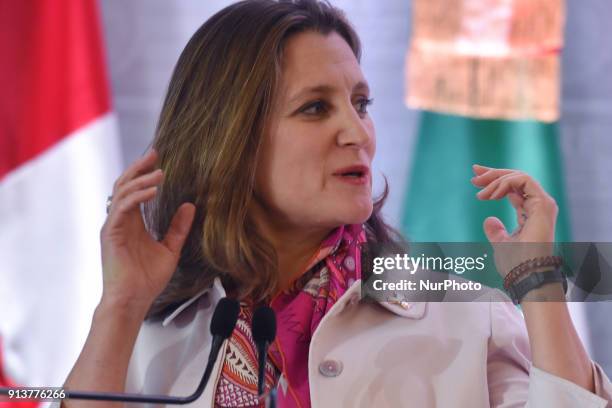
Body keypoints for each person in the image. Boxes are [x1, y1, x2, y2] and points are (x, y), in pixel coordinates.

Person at [61, 0, 612, 407]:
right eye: (314, 109)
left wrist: (540, 287)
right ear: (230, 141)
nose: (358, 133)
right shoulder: (143, 331)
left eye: (361, 103)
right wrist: (121, 306)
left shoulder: (465, 313)